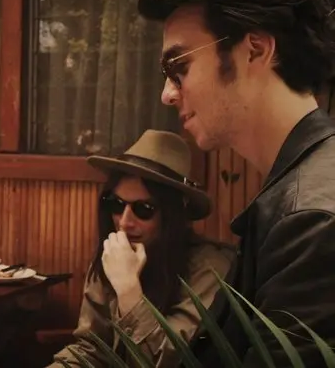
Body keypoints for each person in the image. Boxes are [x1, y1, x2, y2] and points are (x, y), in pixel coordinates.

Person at [137, 0, 335, 367]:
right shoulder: (298, 185)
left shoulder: (311, 220)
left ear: (255, 49)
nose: (167, 94)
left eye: (179, 68)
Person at [49, 130, 235, 367]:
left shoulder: (211, 269)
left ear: (172, 216)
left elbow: (169, 361)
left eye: (144, 209)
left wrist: (128, 289)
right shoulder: (115, 253)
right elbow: (92, 348)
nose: (124, 222)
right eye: (117, 204)